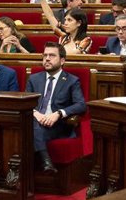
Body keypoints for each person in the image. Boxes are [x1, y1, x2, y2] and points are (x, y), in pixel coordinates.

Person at [26, 42, 87, 173]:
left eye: (52, 55)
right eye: (45, 55)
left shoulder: (72, 80)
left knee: (28, 130)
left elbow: (81, 105)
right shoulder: (34, 79)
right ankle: (46, 161)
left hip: (57, 125)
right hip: (35, 121)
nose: (47, 58)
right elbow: (26, 102)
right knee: (32, 125)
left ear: (62, 60)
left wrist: (58, 114)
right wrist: (35, 114)